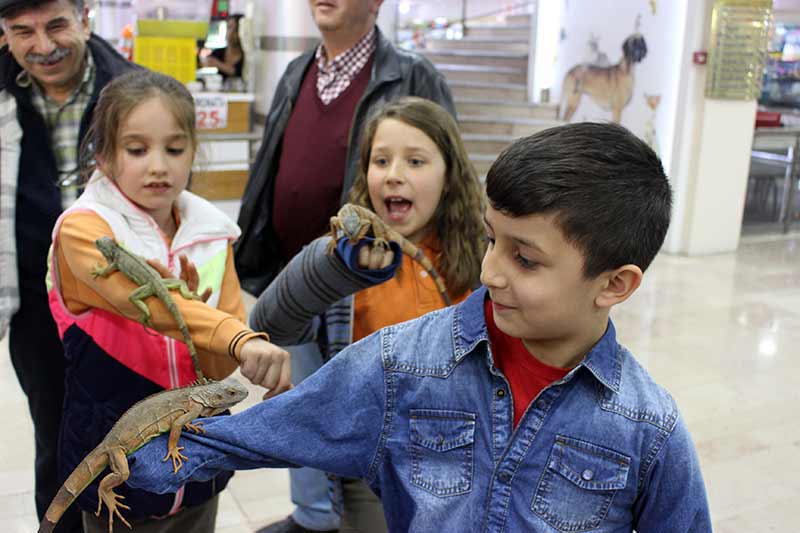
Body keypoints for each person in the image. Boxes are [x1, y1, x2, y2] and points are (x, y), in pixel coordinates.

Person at [125, 122, 713, 532]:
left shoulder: (648, 427)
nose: (491, 272)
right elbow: (250, 433)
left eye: (525, 259)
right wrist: (124, 462)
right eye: (492, 241)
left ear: (615, 284)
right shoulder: (399, 363)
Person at [234, 1, 454, 531]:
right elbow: (274, 158)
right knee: (308, 412)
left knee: (358, 418)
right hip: (302, 277)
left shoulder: (412, 73)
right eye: (381, 161)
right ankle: (316, 515)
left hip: (372, 278)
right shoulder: (298, 69)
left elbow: (443, 161)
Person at [45, 70, 291, 532]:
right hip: (118, 467)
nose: (158, 165)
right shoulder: (83, 229)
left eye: (174, 149)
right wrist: (237, 338)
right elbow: (150, 306)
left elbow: (221, 365)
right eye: (137, 149)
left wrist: (230, 349)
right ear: (103, 155)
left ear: (194, 152)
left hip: (198, 470)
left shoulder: (214, 234)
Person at [250, 97, 485, 532]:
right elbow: (270, 320)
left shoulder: (478, 263)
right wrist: (334, 268)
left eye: (415, 160)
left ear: (449, 176)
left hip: (455, 457)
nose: (394, 173)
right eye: (381, 160)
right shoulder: (345, 259)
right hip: (368, 461)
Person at [0, 1, 136, 531]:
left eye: (56, 24)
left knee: (121, 435)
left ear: (84, 17)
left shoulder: (131, 90)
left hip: (119, 304)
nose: (42, 45)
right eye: (21, 31)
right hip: (34, 308)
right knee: (52, 435)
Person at [202, 14, 244, 81]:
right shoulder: (219, 52)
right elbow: (205, 62)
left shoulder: (246, 56)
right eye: (229, 27)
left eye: (236, 30)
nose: (231, 33)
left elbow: (238, 72)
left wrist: (218, 64)